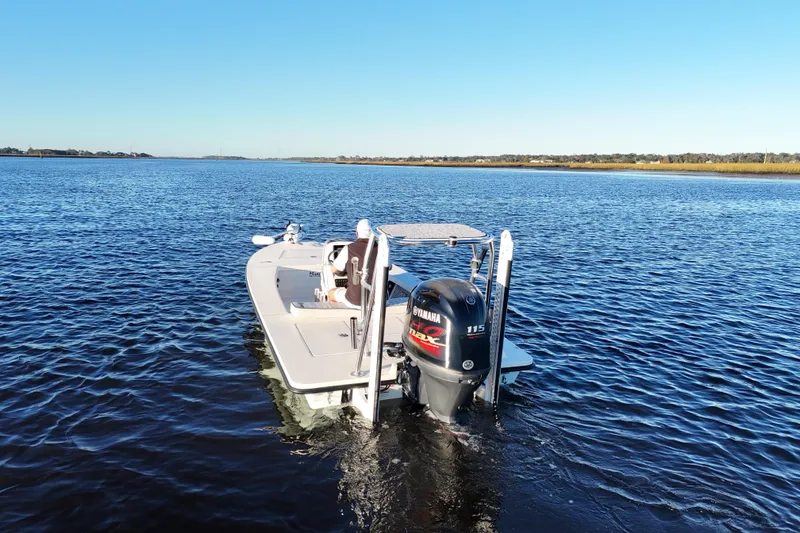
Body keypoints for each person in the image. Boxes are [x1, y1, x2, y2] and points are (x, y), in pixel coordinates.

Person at [328, 219, 377, 307]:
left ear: (357, 233)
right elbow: (388, 266)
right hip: (377, 301)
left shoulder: (349, 248)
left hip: (355, 300)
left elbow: (334, 269)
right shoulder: (382, 249)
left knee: (331, 294)